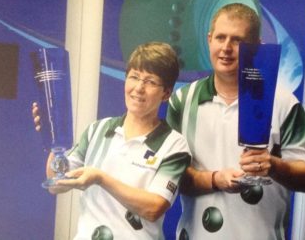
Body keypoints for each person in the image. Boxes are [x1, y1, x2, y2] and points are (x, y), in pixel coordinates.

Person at [166, 3, 305, 240]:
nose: (226, 48)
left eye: (237, 40)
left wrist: (274, 166)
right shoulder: (182, 101)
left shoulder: (283, 103)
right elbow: (171, 175)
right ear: (209, 39)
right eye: (220, 37)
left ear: (256, 47)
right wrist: (215, 179)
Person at [33, 42, 191, 240]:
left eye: (150, 81)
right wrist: (53, 135)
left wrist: (100, 178)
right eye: (134, 77)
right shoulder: (98, 129)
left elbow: (154, 208)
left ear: (166, 93)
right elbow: (56, 183)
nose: (139, 88)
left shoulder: (174, 145)